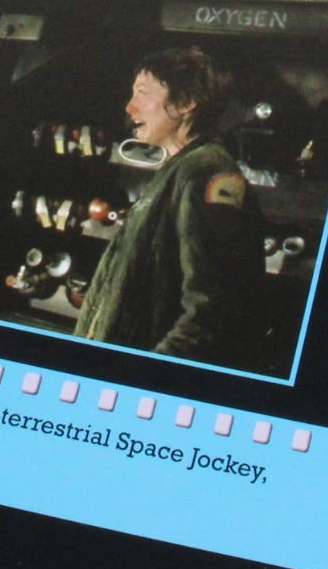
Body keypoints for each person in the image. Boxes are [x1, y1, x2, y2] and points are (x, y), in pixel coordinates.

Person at [74, 48, 261, 365]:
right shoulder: (180, 169)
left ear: (187, 103)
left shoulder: (206, 173)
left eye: (143, 93)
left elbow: (211, 309)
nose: (129, 107)